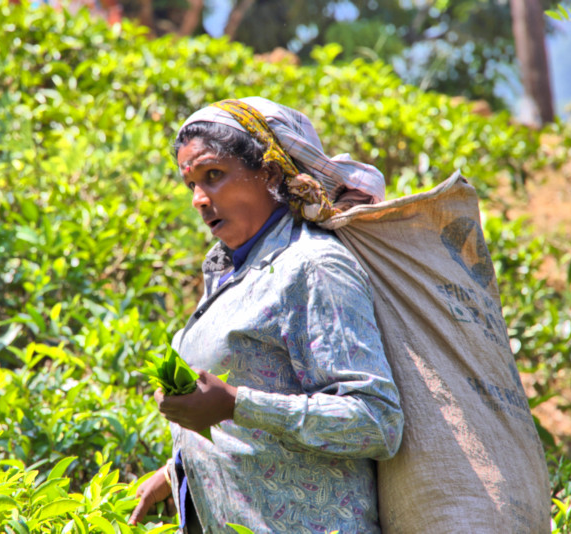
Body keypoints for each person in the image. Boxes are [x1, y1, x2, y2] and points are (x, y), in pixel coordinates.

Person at [128, 97, 404, 534]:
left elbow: (376, 421)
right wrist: (175, 471)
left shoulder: (312, 267)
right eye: (192, 184)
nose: (200, 199)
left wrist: (237, 405)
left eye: (214, 176)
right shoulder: (228, 268)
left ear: (270, 174)